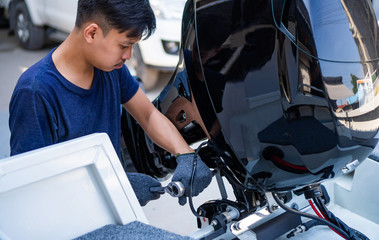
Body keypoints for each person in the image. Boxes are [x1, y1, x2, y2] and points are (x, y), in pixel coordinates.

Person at [9, 0, 212, 206]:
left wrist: (186, 155)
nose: (128, 55)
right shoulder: (36, 92)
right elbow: (32, 186)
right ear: (92, 33)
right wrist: (112, 186)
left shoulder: (111, 70)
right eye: (124, 45)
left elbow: (148, 115)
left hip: (114, 205)